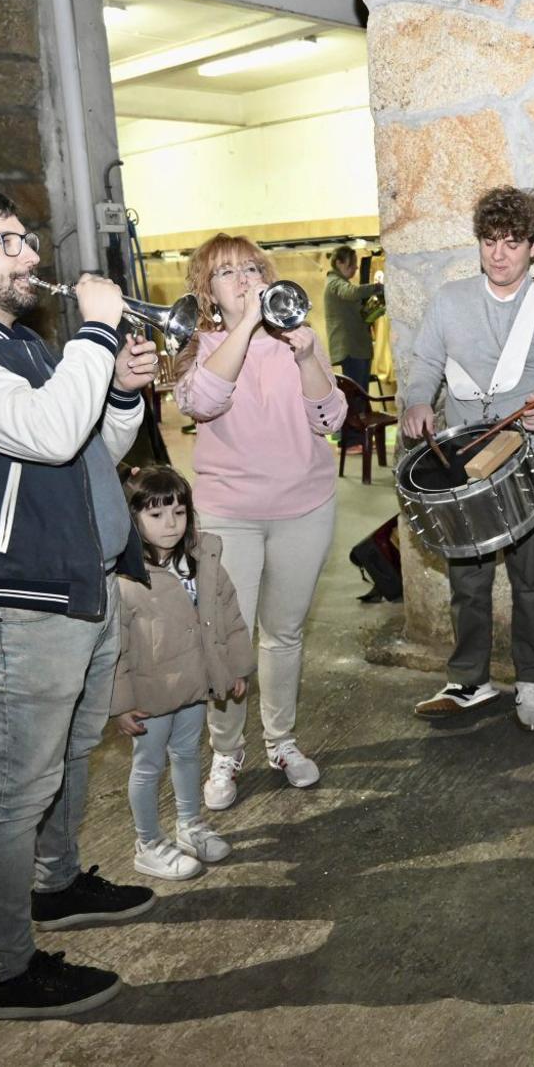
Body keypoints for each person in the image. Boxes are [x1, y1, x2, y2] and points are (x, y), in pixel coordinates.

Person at [0, 187, 159, 1019]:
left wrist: (125, 391)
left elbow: (88, 449)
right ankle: (7, 972)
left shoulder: (23, 343)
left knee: (71, 757)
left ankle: (59, 882)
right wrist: (99, 333)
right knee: (13, 791)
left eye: (25, 238)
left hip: (80, 580)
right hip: (19, 600)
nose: (30, 256)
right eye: (4, 243)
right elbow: (44, 433)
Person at [400, 185, 534, 731]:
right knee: (467, 578)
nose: (499, 253)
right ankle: (469, 680)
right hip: (464, 460)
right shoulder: (449, 302)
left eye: (512, 242)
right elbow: (425, 363)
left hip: (533, 458)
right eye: (490, 241)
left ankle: (531, 680)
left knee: (530, 576)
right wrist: (418, 400)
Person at [175, 234, 346, 809]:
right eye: (228, 274)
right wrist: (244, 328)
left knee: (285, 633)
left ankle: (282, 742)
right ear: (208, 292)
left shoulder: (299, 338)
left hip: (305, 505)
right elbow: (203, 402)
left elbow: (331, 418)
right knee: (228, 639)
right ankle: (226, 753)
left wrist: (304, 357)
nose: (244, 279)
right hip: (230, 514)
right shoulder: (198, 345)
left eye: (252, 268)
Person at [112, 466, 254, 880]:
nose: (170, 523)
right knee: (148, 765)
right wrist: (120, 703)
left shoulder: (202, 559)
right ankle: (149, 843)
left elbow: (229, 615)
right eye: (156, 515)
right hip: (149, 696)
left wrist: (236, 667)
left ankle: (190, 826)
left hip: (195, 686)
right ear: (132, 518)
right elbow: (113, 648)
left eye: (178, 511)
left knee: (190, 754)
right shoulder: (124, 576)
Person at [324, 245, 383, 453]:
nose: (355, 270)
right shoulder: (335, 283)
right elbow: (352, 293)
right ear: (339, 263)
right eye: (352, 266)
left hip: (357, 347)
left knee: (359, 397)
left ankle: (358, 439)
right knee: (354, 398)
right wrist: (377, 287)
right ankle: (350, 442)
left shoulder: (339, 282)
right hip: (350, 348)